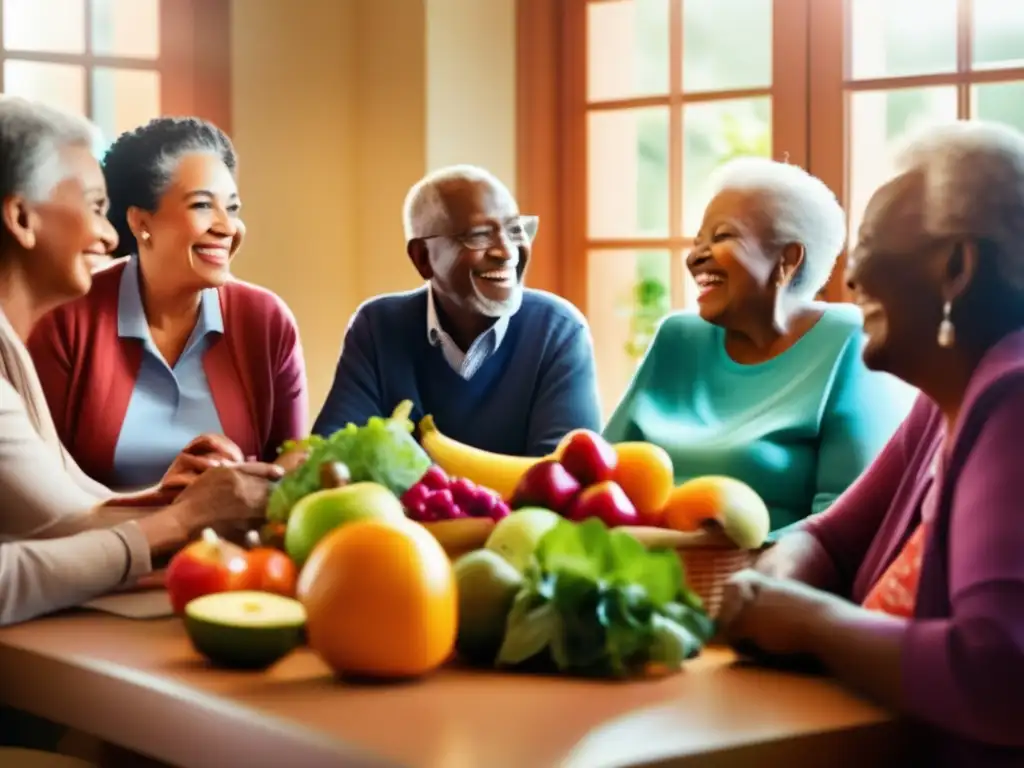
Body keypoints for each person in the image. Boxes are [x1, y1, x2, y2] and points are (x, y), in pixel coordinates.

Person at [718, 121, 1024, 766]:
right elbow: (828, 537)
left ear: (956, 267)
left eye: (869, 242)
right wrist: (774, 588)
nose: (851, 276)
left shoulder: (1013, 400)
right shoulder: (942, 398)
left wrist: (806, 623)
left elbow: (999, 673)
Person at [0, 96, 282, 627]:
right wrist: (183, 519)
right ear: (20, 217)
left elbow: (64, 516)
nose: (109, 238)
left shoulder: (9, 352)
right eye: (95, 208)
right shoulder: (45, 338)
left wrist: (168, 501)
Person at [603, 158, 915, 534]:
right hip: (640, 570)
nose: (695, 257)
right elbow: (599, 473)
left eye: (721, 237)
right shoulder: (677, 337)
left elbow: (847, 520)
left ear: (787, 259)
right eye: (697, 241)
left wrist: (743, 572)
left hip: (766, 582)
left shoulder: (846, 339)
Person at [27, 117, 308, 491]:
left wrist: (258, 478)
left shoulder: (267, 320)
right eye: (204, 205)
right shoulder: (67, 319)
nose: (226, 227)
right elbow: (39, 486)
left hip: (238, 547)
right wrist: (165, 502)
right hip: (104, 545)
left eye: (234, 208)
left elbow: (288, 462)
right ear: (142, 221)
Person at [313, 164, 601, 456]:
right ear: (423, 258)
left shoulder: (557, 331)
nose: (506, 251)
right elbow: (332, 455)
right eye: (479, 235)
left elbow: (564, 478)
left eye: (515, 229)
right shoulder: (378, 327)